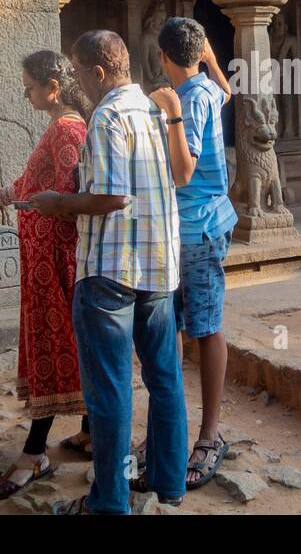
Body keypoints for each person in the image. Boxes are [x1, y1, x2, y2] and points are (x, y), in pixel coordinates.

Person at [31, 30, 188, 515]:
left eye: (79, 72)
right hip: (160, 266)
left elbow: (113, 197)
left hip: (111, 273)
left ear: (98, 72)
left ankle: (109, 502)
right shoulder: (152, 109)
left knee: (110, 390)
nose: (78, 81)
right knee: (165, 378)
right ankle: (169, 480)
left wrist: (59, 203)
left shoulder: (107, 115)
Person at [0, 51, 91, 500]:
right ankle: (90, 430)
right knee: (67, 341)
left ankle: (33, 453)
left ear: (53, 87)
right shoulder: (60, 128)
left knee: (55, 343)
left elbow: (62, 198)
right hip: (43, 256)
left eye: (29, 86)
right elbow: (21, 189)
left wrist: (35, 206)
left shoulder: (68, 130)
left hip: (56, 258)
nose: (25, 93)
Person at [149, 16, 236, 489]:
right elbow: (226, 94)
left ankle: (209, 434)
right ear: (199, 53)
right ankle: (175, 427)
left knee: (204, 327)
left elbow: (184, 171)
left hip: (197, 229)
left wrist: (171, 114)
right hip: (189, 228)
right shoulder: (206, 88)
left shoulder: (185, 100)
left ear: (162, 57)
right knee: (180, 325)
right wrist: (214, 63)